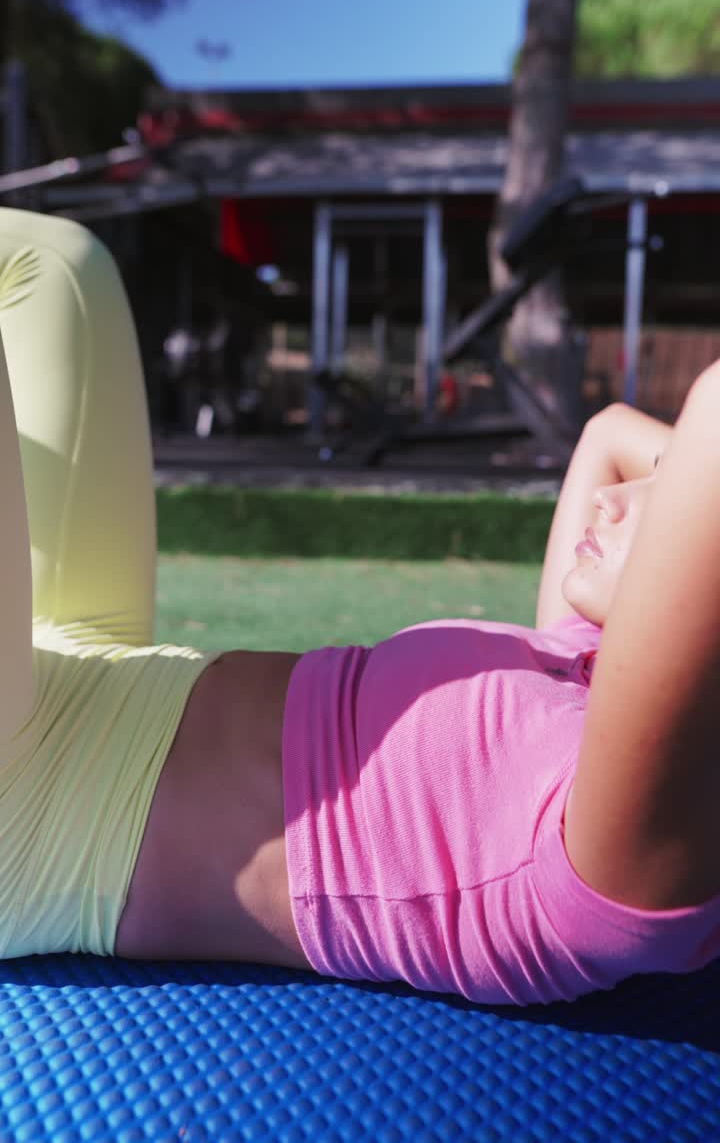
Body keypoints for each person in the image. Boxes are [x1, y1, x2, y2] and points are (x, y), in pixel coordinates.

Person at [2, 206, 720, 1007]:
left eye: (667, 500)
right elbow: (609, 436)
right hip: (94, 672)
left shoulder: (624, 855)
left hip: (36, 813)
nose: (620, 499)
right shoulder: (579, 658)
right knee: (55, 263)